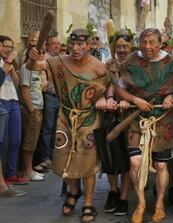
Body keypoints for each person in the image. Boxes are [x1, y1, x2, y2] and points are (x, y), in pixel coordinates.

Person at [28, 28, 111, 223]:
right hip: (64, 118)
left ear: (89, 45)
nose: (76, 48)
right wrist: (32, 57)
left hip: (89, 119)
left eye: (81, 44)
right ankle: (74, 192)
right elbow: (35, 66)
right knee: (63, 159)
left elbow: (111, 87)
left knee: (88, 163)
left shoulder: (99, 67)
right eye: (73, 44)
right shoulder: (59, 62)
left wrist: (106, 99)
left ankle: (89, 202)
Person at [117, 28, 173, 223]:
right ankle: (140, 203)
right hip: (137, 119)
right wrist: (134, 100)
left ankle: (159, 204)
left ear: (160, 43)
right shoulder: (131, 61)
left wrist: (171, 96)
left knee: (161, 164)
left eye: (152, 42)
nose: (147, 47)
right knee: (135, 162)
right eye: (144, 42)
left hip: (163, 119)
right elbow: (120, 88)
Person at [101, 29, 133, 216]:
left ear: (131, 47)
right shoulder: (109, 64)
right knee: (110, 155)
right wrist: (109, 98)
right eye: (119, 46)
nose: (121, 49)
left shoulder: (136, 64)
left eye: (125, 46)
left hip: (130, 114)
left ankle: (124, 196)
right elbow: (106, 85)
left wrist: (126, 99)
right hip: (111, 114)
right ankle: (113, 190)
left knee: (127, 158)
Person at [0, 35, 28, 185]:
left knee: (16, 140)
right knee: (2, 141)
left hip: (14, 101)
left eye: (11, 47)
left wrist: (11, 69)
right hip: (2, 102)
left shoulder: (11, 64)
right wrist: (6, 64)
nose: (9, 49)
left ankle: (11, 174)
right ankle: (2, 177)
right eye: (6, 46)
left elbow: (17, 83)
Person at [34, 35, 61, 172]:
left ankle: (52, 156)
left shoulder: (61, 59)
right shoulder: (44, 59)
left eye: (58, 44)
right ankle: (45, 157)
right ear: (47, 46)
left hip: (60, 97)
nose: (57, 46)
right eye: (53, 44)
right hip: (50, 96)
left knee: (57, 127)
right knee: (48, 127)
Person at [19, 46, 46, 182]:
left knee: (34, 141)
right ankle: (27, 170)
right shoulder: (26, 68)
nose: (40, 55)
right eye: (37, 53)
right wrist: (32, 110)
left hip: (38, 107)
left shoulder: (38, 69)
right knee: (29, 141)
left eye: (42, 53)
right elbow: (24, 90)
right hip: (32, 109)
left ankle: (30, 169)